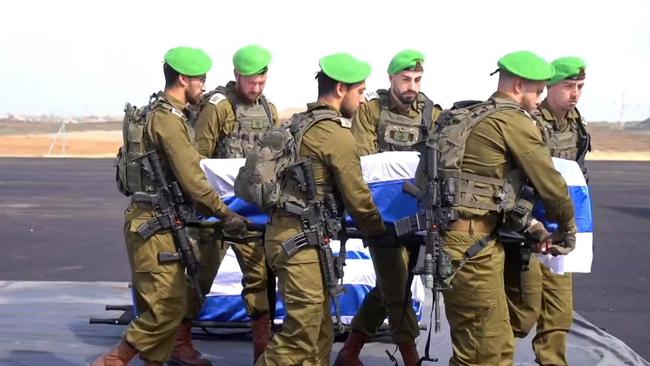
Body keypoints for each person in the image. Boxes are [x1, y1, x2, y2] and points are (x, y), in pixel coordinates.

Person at [92, 46, 248, 366]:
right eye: (200, 79)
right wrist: (226, 215)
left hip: (157, 220)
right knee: (167, 309)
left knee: (165, 305)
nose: (204, 86)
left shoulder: (159, 113)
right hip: (154, 223)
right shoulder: (168, 121)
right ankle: (114, 360)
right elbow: (194, 180)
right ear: (182, 79)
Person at [432, 50, 577, 365]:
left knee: (498, 346)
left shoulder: (472, 116)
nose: (539, 99)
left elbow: (495, 193)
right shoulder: (511, 121)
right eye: (537, 91)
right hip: (471, 248)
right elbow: (550, 183)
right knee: (479, 354)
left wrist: (533, 228)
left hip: (474, 243)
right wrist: (567, 226)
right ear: (519, 85)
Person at [254, 53, 390, 366]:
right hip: (299, 242)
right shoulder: (335, 135)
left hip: (291, 238)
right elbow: (358, 197)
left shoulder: (297, 124)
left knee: (319, 333)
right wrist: (379, 232)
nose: (363, 100)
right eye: (360, 92)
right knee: (300, 337)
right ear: (341, 89)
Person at [335, 49, 442, 366]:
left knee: (392, 283)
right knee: (396, 284)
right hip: (381, 216)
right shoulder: (371, 112)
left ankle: (350, 350)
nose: (412, 86)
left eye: (417, 80)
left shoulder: (430, 113)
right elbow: (365, 164)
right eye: (406, 79)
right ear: (392, 78)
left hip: (418, 216)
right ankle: (410, 353)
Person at [183, 44, 280, 364]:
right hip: (215, 210)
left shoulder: (269, 109)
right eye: (250, 82)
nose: (256, 88)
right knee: (200, 275)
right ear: (237, 76)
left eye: (261, 82)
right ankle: (178, 341)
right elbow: (196, 160)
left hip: (252, 212)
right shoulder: (218, 107)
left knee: (261, 280)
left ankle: (262, 351)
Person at [504, 56, 589, 366]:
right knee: (522, 314)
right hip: (525, 229)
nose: (575, 93)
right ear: (549, 86)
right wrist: (530, 224)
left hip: (558, 229)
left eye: (580, 86)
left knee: (558, 313)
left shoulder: (575, 123)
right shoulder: (528, 122)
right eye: (569, 86)